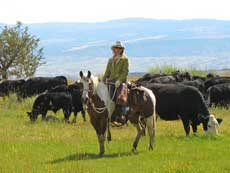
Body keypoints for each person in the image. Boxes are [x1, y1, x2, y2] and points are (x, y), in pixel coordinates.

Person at [103, 41, 129, 123]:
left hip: (120, 82)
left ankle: (122, 114)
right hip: (110, 81)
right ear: (114, 49)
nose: (117, 50)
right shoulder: (110, 60)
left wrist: (119, 80)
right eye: (116, 48)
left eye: (119, 48)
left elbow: (125, 72)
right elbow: (107, 71)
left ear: (122, 50)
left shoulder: (125, 59)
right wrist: (103, 80)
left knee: (120, 97)